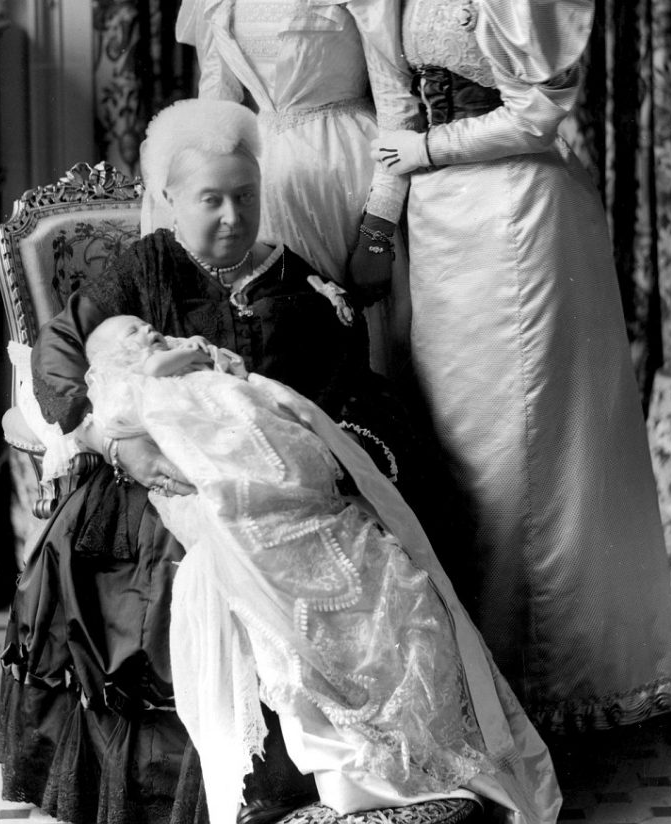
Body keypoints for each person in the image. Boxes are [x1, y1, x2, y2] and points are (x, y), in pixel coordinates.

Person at [371, 0, 671, 733]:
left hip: (520, 221)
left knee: (527, 455)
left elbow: (540, 112)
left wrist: (425, 146)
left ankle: (560, 681)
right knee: (461, 453)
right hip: (442, 233)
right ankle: (479, 667)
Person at [0, 100, 416, 824]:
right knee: (193, 564)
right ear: (169, 200)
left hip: (274, 476)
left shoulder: (296, 281)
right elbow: (59, 356)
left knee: (357, 562)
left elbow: (346, 386)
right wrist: (109, 438)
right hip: (153, 477)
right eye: (210, 201)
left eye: (245, 198)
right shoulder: (144, 270)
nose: (231, 217)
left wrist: (330, 459)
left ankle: (349, 765)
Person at [82, 314, 562, 824]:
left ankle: (419, 756)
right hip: (236, 500)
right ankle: (355, 775)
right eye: (129, 334)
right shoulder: (139, 385)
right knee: (299, 627)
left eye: (143, 325)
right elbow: (119, 405)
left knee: (385, 593)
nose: (146, 331)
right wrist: (185, 362)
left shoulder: (203, 360)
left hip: (293, 483)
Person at [173, 0, 421, 375]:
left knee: (344, 371)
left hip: (343, 181)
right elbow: (217, 103)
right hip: (254, 189)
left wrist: (379, 228)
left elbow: (397, 102)